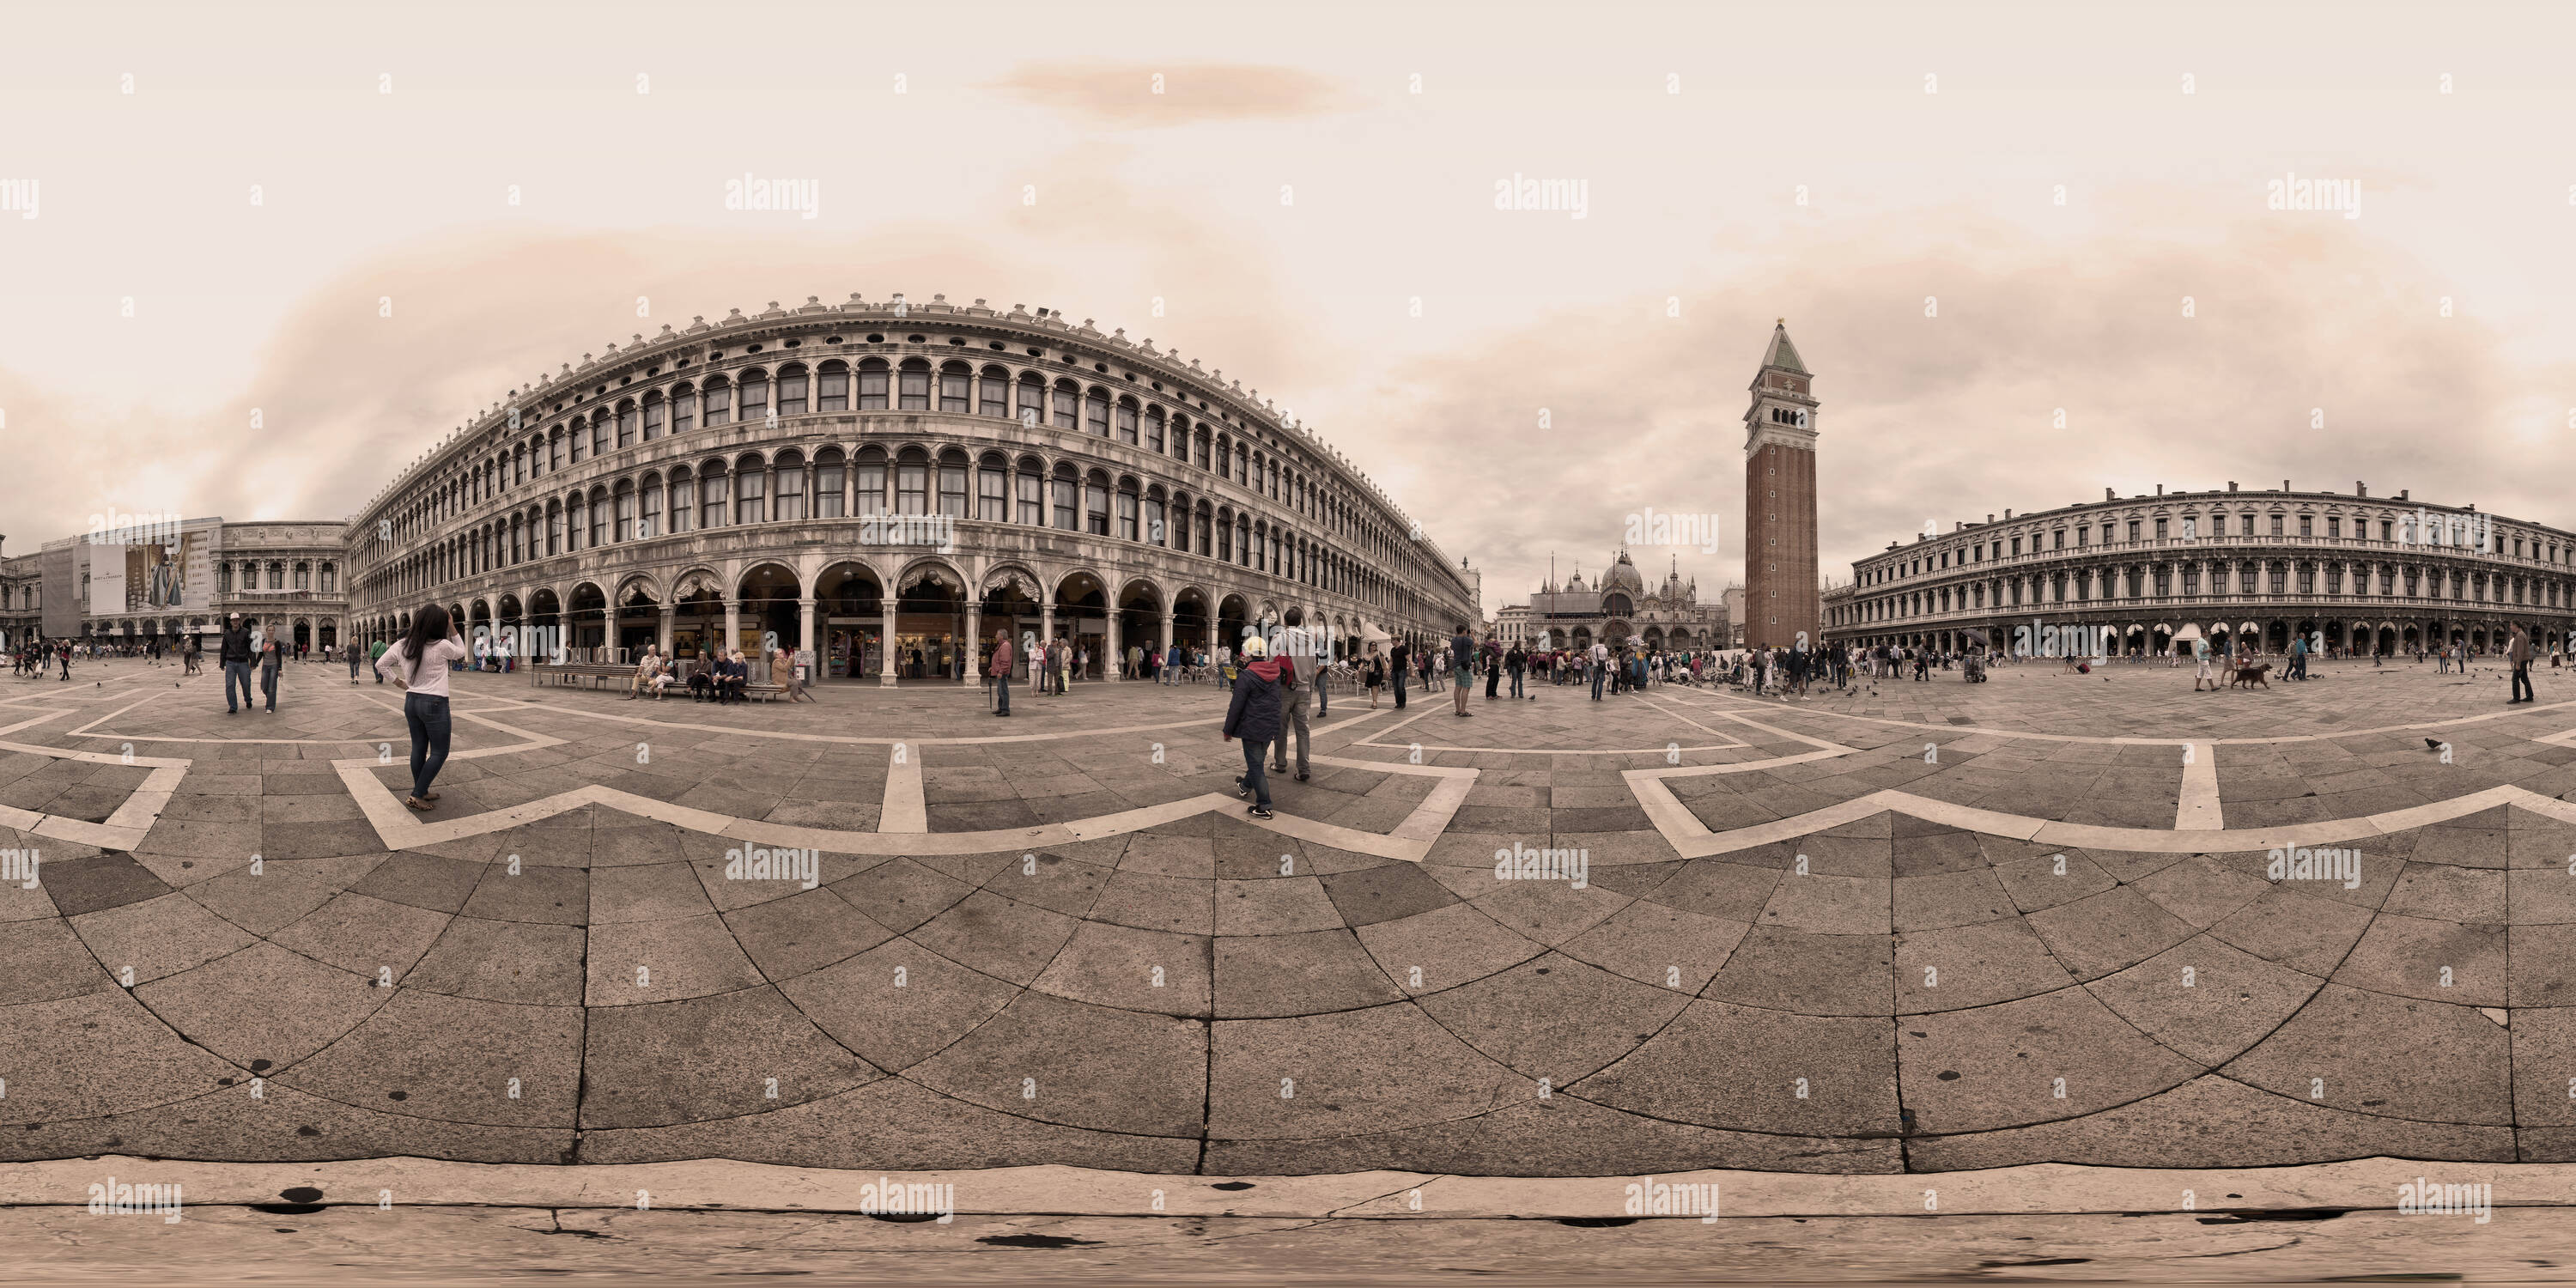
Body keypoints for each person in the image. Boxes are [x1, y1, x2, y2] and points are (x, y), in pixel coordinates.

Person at [377, 604, 469, 812]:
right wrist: (452, 627)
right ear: (438, 625)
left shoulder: (402, 644)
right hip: (435, 702)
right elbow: (462, 651)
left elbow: (380, 665)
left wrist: (399, 683)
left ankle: (422, 788)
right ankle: (417, 794)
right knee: (439, 751)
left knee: (419, 747)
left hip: (411, 702)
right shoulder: (442, 645)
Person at [1222, 635, 1287, 821]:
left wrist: (1228, 730)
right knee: (1257, 760)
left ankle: (1264, 805)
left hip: (1252, 727)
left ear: (1248, 655)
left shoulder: (1247, 675)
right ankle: (1244, 786)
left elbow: (1236, 706)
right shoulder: (1275, 673)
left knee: (1256, 764)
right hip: (1270, 726)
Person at [1273, 629, 1314, 783]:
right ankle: (1303, 769)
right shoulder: (1309, 640)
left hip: (1283, 689)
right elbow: (1313, 665)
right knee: (1303, 731)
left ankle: (1280, 763)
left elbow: (1272, 664)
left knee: (1281, 728)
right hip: (1304, 689)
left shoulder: (1279, 637)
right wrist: (1311, 687)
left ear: (1286, 621)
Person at [219, 614, 256, 713]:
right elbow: (224, 649)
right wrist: (222, 663)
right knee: (230, 685)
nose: (235, 622)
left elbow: (251, 648)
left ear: (239, 621)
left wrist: (253, 662)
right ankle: (233, 707)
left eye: (237, 620)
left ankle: (248, 700)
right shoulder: (227, 634)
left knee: (246, 684)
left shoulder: (246, 632)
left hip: (243, 662)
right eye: (233, 620)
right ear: (230, 622)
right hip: (230, 662)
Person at [258, 634, 287, 713]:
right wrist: (255, 664)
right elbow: (260, 654)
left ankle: (270, 707)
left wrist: (280, 668)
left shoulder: (277, 642)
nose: (270, 631)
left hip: (274, 666)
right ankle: (271, 698)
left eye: (272, 630)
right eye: (269, 630)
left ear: (274, 631)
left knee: (271, 687)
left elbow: (279, 656)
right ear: (267, 631)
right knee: (264, 686)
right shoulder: (263, 641)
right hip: (265, 666)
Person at [991, 631, 1015, 716]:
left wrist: (1001, 671)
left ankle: (1005, 710)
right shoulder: (1002, 645)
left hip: (1002, 672)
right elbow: (998, 659)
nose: (996, 636)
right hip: (1000, 671)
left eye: (997, 634)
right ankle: (1001, 708)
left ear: (1001, 636)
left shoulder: (1005, 646)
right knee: (1000, 691)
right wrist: (993, 667)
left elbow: (1005, 661)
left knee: (1003, 691)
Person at [2510, 624, 2535, 703]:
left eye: (2511, 625)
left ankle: (2516, 698)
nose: (2510, 627)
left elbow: (2520, 650)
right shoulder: (2522, 634)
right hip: (2524, 660)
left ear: (2516, 626)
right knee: (2524, 678)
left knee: (2515, 679)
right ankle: (2530, 695)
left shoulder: (2520, 635)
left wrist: (2518, 663)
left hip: (2521, 660)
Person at [1388, 639, 1409, 710]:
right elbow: (1391, 660)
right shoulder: (1392, 650)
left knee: (1400, 687)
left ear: (1396, 640)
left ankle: (1403, 702)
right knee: (1395, 688)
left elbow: (1409, 660)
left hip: (1402, 670)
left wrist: (1412, 671)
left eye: (1392, 640)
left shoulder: (1404, 648)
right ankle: (1398, 703)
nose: (1391, 642)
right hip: (1394, 671)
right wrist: (1388, 670)